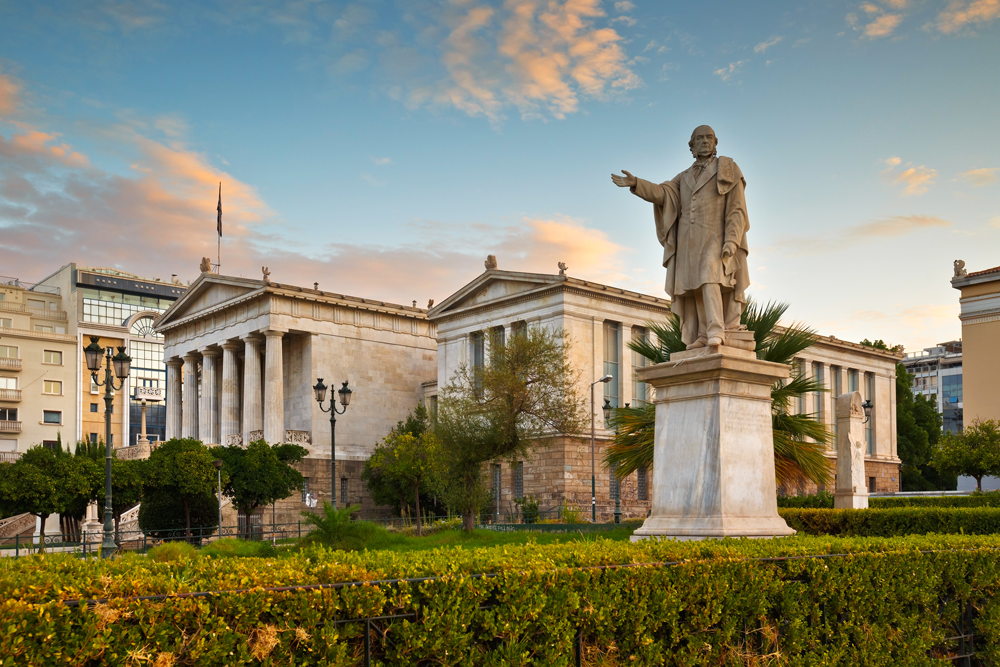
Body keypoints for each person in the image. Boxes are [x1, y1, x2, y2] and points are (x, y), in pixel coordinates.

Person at [611, 125, 750, 348]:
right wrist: (636, 183)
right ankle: (703, 334)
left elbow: (737, 209)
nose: (704, 141)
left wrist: (732, 240)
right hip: (688, 241)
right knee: (694, 285)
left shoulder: (727, 168)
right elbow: (662, 193)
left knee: (708, 277)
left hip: (715, 236)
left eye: (709, 138)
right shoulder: (684, 177)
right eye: (699, 138)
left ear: (715, 142)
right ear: (691, 146)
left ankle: (717, 329)